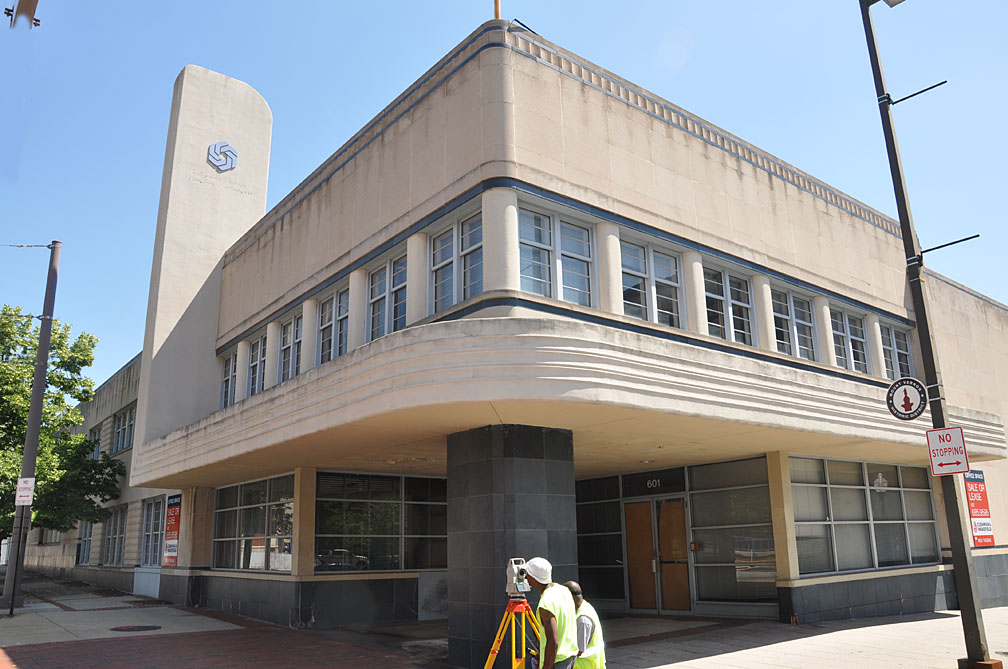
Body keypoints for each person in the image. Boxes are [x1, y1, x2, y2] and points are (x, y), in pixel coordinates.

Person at [524, 557, 579, 669]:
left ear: (534, 578)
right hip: (570, 656)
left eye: (527, 573)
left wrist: (546, 666)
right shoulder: (564, 590)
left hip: (557, 661)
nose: (525, 576)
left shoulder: (546, 604)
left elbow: (553, 642)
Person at [564, 581, 606, 669]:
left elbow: (578, 651)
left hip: (584, 666)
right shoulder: (585, 606)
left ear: (569, 598)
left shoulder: (582, 620)